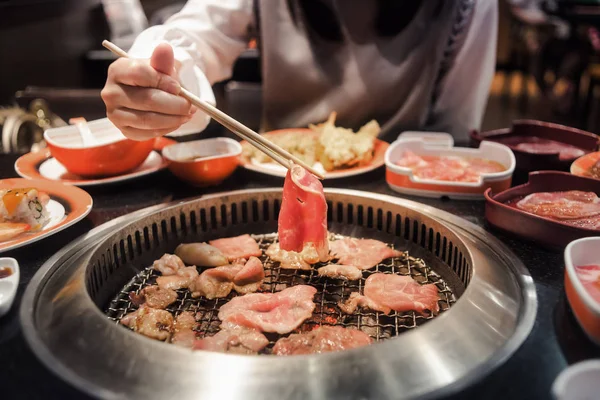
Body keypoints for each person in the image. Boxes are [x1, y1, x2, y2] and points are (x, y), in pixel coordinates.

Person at [101, 0, 498, 142]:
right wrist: (153, 76)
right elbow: (196, 34)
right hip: (276, 180)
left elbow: (454, 135)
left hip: (398, 192)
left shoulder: (463, 6)